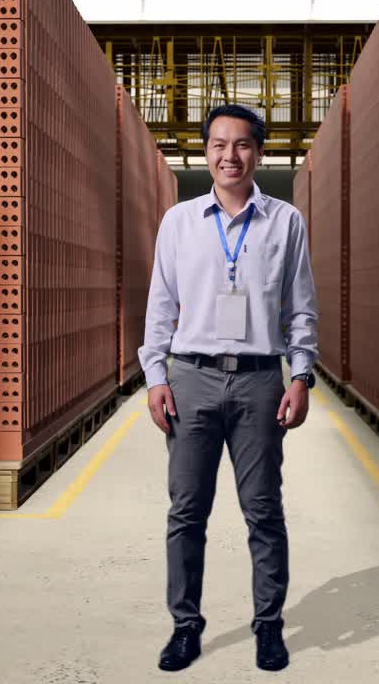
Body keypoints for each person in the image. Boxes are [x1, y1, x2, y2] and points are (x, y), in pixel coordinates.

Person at [137, 104, 319, 672]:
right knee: (187, 511)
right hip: (190, 378)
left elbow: (302, 310)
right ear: (206, 151)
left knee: (263, 511)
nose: (229, 155)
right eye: (218, 144)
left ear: (258, 153)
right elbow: (161, 305)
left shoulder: (285, 221)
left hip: (260, 382)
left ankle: (269, 627)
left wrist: (302, 375)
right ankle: (185, 627)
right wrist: (156, 377)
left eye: (241, 145)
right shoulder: (179, 222)